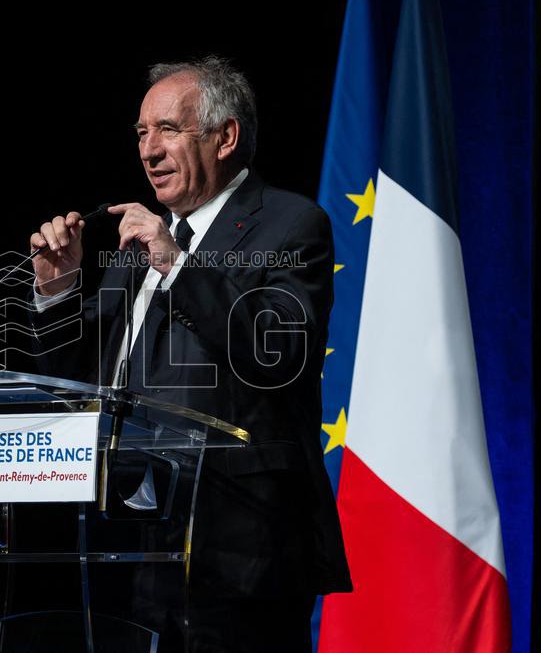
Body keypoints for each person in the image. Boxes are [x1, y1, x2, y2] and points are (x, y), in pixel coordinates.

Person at [27, 56, 352, 652]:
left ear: (226, 137)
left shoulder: (289, 226)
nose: (148, 151)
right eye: (141, 133)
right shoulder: (134, 251)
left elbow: (278, 353)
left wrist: (175, 263)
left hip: (240, 551)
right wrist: (59, 291)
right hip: (129, 544)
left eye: (168, 130)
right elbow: (78, 385)